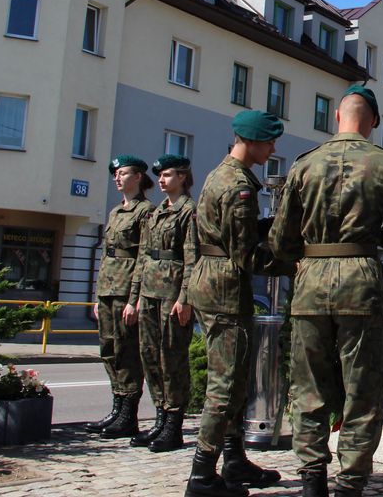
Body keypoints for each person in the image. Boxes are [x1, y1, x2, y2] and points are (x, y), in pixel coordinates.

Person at [268, 84, 383, 497]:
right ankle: (350, 484)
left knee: (309, 388)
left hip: (310, 284)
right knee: (363, 389)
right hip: (360, 283)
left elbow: (280, 240)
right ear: (372, 122)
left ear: (337, 116)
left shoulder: (304, 164)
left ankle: (312, 481)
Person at [184, 111, 284, 497]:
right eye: (270, 142)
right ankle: (202, 476)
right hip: (225, 290)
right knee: (224, 386)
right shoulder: (239, 187)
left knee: (237, 380)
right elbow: (245, 254)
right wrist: (292, 259)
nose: (273, 148)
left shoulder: (219, 174)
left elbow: (228, 233)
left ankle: (234, 460)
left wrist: (267, 225)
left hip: (212, 283)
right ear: (254, 142)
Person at [127, 154, 197, 452]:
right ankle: (159, 417)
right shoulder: (156, 213)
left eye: (167, 175)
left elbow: (193, 258)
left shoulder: (188, 211)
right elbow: (143, 256)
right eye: (160, 175)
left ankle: (173, 425)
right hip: (150, 293)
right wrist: (136, 297)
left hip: (172, 294)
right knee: (150, 355)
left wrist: (185, 298)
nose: (161, 180)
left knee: (172, 359)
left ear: (182, 177)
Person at [87, 154, 153, 439]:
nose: (117, 178)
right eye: (116, 174)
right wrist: (96, 294)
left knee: (127, 352)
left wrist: (134, 299)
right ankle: (117, 408)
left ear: (137, 176)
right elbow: (105, 255)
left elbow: (142, 258)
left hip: (126, 289)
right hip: (107, 289)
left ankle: (128, 415)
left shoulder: (145, 211)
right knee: (109, 351)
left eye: (123, 173)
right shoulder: (115, 212)